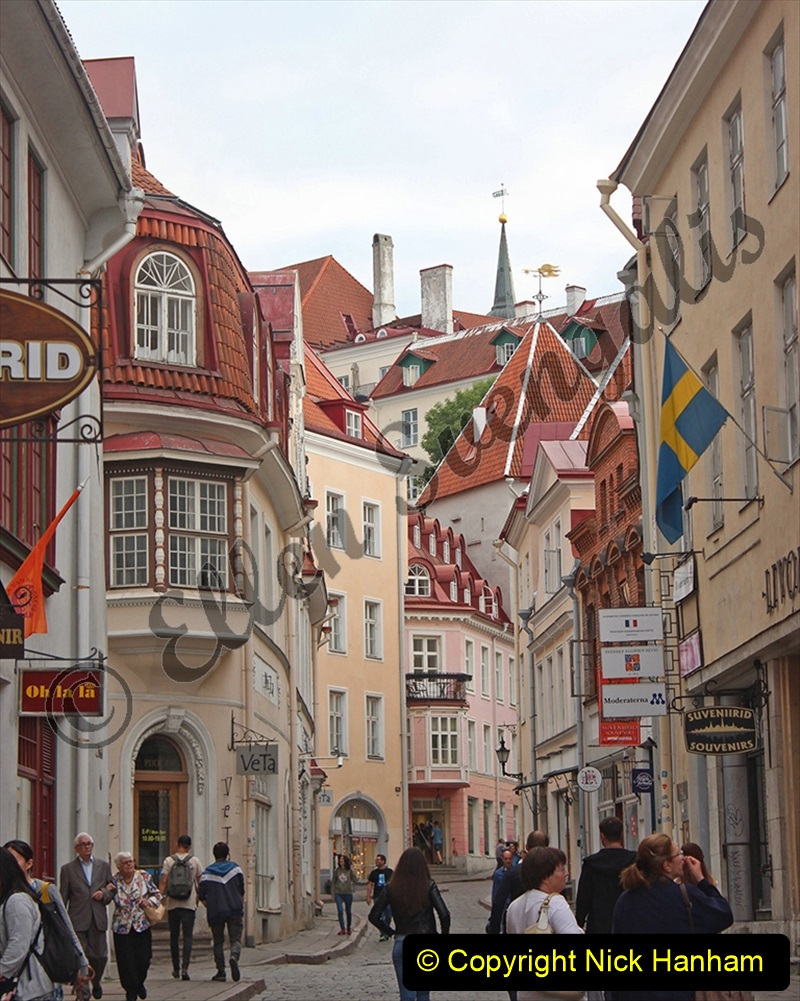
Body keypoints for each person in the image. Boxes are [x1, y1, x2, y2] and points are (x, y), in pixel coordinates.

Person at [609, 833, 733, 1001]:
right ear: (667, 865)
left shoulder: (625, 900)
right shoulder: (683, 897)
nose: (682, 859)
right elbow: (724, 914)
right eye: (678, 854)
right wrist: (701, 880)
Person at [4, 839, 90, 999]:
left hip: (45, 971)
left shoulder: (43, 890)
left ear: (29, 864)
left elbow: (65, 927)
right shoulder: (6, 895)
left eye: (14, 860)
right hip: (18, 981)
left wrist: (82, 963)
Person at [368, 847, 450, 1001]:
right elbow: (444, 914)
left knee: (407, 995)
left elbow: (374, 916)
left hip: (402, 941)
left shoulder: (391, 887)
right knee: (423, 994)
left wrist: (390, 932)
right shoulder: (428, 885)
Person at [505, 847, 585, 1001]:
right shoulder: (556, 903)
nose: (566, 873)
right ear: (545, 875)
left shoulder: (514, 906)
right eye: (561, 869)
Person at [59, 833, 115, 1000]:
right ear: (76, 848)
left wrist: (103, 893)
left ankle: (96, 981)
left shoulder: (103, 866)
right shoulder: (68, 869)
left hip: (97, 918)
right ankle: (83, 992)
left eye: (89, 843)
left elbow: (112, 888)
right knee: (81, 957)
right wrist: (61, 920)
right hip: (77, 919)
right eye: (83, 844)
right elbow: (63, 896)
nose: (87, 847)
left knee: (100, 956)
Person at [0, 846, 56, 1001]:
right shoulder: (8, 899)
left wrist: (2, 970)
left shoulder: (17, 901)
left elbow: (18, 945)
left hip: (29, 989)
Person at [110, 852, 160, 1001]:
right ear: (119, 866)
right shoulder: (114, 880)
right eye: (125, 863)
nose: (129, 865)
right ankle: (130, 990)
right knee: (125, 962)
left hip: (141, 924)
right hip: (122, 926)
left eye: (131, 861)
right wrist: (105, 891)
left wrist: (149, 902)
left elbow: (157, 895)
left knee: (144, 959)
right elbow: (108, 895)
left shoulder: (143, 876)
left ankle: (139, 983)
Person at [575, 816, 636, 934]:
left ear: (602, 836)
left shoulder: (591, 864)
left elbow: (583, 898)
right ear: (622, 834)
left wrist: (579, 922)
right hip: (628, 922)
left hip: (598, 925)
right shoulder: (633, 861)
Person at [198, 842, 244, 984]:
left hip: (216, 912)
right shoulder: (236, 870)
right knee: (235, 939)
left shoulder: (207, 873)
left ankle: (221, 972)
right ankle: (234, 956)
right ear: (227, 854)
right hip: (234, 910)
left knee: (218, 942)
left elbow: (201, 896)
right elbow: (241, 891)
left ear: (214, 855)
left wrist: (211, 906)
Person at [487, 830, 550, 934]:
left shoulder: (513, 873)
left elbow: (499, 903)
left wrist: (495, 929)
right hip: (546, 924)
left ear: (527, 847)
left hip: (517, 922)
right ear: (547, 847)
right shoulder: (552, 872)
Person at [159, 834, 202, 981]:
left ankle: (175, 968)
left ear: (177, 844)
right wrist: (200, 897)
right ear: (189, 847)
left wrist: (158, 897)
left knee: (174, 937)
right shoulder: (194, 861)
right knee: (188, 936)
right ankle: (185, 968)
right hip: (189, 904)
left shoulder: (169, 861)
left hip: (173, 904)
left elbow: (164, 881)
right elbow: (200, 881)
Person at [366, 855, 393, 942]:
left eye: (378, 860)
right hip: (377, 896)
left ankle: (386, 931)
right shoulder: (374, 873)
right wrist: (368, 896)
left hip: (388, 897)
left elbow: (394, 883)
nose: (376, 861)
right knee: (379, 916)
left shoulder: (389, 872)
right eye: (376, 860)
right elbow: (370, 884)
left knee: (388, 916)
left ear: (383, 861)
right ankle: (383, 933)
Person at [332, 854, 354, 936]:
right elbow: (333, 882)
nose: (341, 860)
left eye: (342, 859)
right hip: (338, 893)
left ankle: (348, 928)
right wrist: (333, 894)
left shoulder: (349, 871)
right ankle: (342, 928)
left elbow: (355, 879)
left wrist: (368, 882)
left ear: (345, 861)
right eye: (340, 859)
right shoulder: (337, 871)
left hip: (348, 893)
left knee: (348, 911)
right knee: (340, 911)